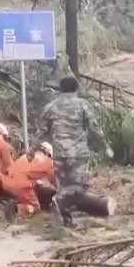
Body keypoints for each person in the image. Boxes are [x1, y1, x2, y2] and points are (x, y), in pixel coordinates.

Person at [37, 76, 109, 227]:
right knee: (80, 187)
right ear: (76, 89)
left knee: (63, 186)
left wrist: (32, 149)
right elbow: (94, 128)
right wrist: (104, 146)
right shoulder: (83, 105)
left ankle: (66, 221)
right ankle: (59, 201)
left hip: (59, 154)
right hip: (78, 154)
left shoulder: (51, 106)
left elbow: (42, 131)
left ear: (61, 89)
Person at [1, 142, 56, 221]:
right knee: (36, 209)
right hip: (21, 184)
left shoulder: (25, 157)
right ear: (48, 153)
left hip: (6, 181)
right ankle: (17, 209)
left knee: (25, 195)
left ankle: (18, 205)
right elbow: (53, 180)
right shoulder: (48, 162)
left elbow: (27, 173)